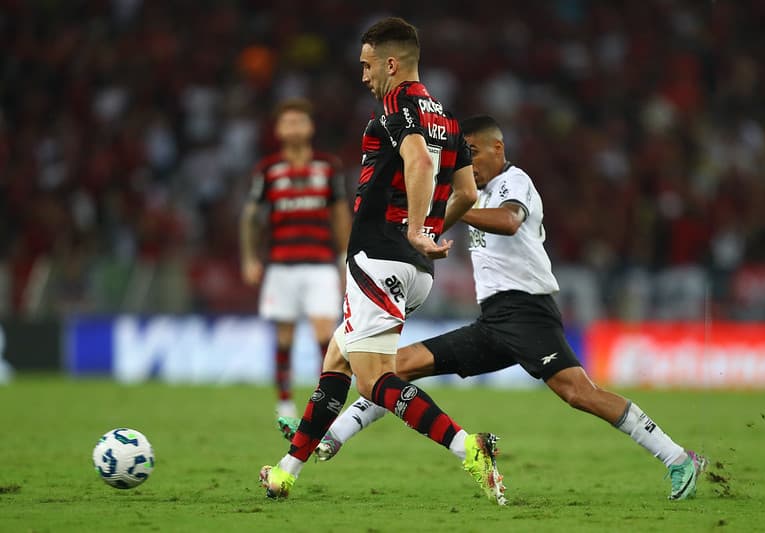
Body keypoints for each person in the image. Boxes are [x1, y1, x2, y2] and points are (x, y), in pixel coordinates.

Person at [279, 115, 709, 501]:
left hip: (528, 313)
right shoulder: (471, 192)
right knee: (401, 365)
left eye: (473, 153)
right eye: (461, 155)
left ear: (497, 148)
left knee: (579, 393)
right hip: (493, 321)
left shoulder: (513, 182)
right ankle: (329, 437)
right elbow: (429, 226)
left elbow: (508, 222)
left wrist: (460, 208)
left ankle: (677, 458)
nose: (467, 162)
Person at [259, 17, 508, 505]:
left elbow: (416, 161)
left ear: (392, 64)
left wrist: (417, 229)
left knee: (375, 381)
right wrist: (432, 231)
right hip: (417, 271)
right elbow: (467, 191)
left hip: (379, 256)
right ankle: (286, 473)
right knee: (337, 357)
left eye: (368, 65)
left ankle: (469, 448)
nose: (364, 75)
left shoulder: (401, 104)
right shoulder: (449, 118)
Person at [240, 98, 351, 419]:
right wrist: (249, 258)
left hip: (320, 264)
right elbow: (250, 215)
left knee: (323, 335)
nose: (294, 127)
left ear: (311, 127)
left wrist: (344, 259)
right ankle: (285, 403)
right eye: (287, 122)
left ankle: (324, 405)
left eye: (299, 121)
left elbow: (340, 216)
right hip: (281, 265)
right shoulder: (268, 170)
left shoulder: (328, 167)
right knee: (284, 336)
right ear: (277, 130)